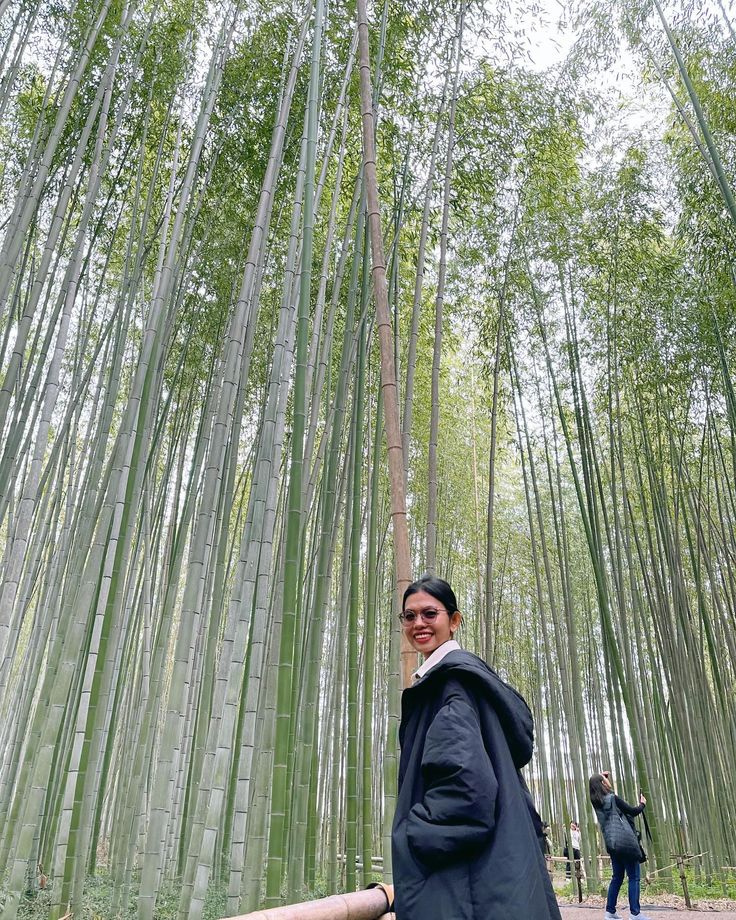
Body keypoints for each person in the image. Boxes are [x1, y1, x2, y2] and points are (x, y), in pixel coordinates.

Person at [391, 575, 561, 920]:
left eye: (429, 614)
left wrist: (414, 835)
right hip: (496, 871)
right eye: (409, 616)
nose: (418, 624)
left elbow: (468, 787)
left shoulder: (450, 686)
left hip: (466, 882)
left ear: (453, 621)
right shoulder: (464, 681)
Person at [590, 771, 650, 920]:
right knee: (634, 877)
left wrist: (603, 777)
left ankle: (610, 912)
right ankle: (635, 913)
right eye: (604, 780)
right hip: (626, 843)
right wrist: (642, 804)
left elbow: (602, 791)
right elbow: (633, 811)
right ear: (603, 784)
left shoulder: (596, 802)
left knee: (617, 877)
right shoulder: (613, 798)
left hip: (613, 844)